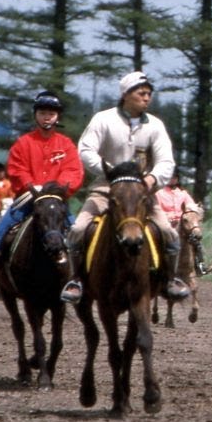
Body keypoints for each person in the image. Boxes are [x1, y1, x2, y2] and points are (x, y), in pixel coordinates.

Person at [61, 70, 190, 304]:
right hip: (106, 189)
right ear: (126, 94)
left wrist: (152, 179)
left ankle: (170, 279)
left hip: (143, 193)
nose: (147, 98)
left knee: (169, 233)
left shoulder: (156, 126)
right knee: (78, 229)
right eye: (141, 93)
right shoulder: (103, 119)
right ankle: (76, 279)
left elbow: (166, 161)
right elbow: (86, 150)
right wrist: (111, 171)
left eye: (149, 94)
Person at [0, 91, 85, 296]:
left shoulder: (66, 145)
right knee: (0, 228)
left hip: (55, 201)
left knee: (76, 232)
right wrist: (31, 185)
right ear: (36, 115)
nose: (47, 117)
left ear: (58, 116)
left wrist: (55, 188)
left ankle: (76, 279)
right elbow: (16, 169)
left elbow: (74, 171)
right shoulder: (23, 143)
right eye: (42, 112)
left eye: (51, 113)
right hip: (28, 199)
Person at [155, 171, 212, 276]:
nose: (173, 179)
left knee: (195, 238)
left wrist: (193, 212)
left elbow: (191, 205)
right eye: (171, 177)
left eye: (175, 177)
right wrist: (169, 217)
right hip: (166, 224)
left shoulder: (183, 193)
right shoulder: (159, 193)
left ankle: (200, 265)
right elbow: (157, 209)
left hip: (183, 222)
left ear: (177, 179)